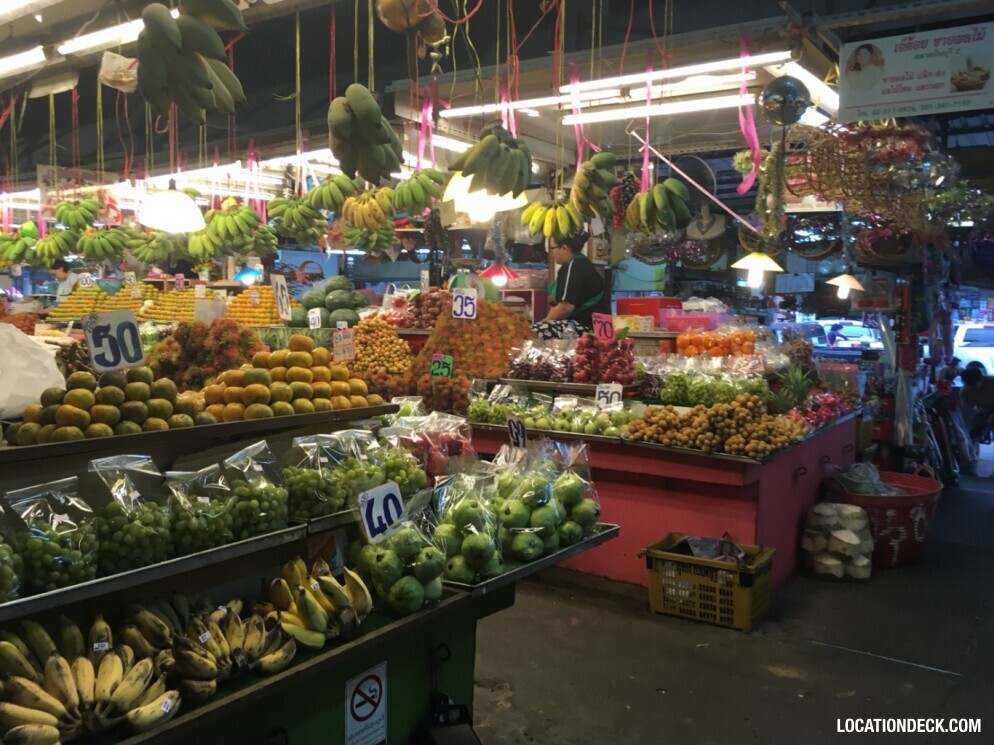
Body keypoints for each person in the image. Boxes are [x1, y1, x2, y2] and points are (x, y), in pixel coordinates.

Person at [533, 232, 606, 340]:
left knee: (534, 332)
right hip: (591, 325)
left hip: (585, 328)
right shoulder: (580, 264)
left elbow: (565, 307)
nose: (551, 253)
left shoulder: (575, 266)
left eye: (552, 248)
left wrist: (543, 322)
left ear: (564, 248)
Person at [961, 367, 994, 450]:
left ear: (982, 379)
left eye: (975, 384)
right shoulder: (965, 391)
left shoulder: (992, 382)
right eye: (971, 385)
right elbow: (966, 411)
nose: (974, 387)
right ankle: (973, 449)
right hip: (982, 411)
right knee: (974, 427)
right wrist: (964, 429)